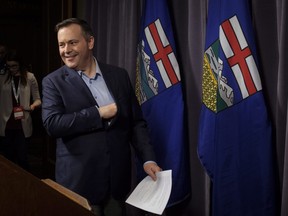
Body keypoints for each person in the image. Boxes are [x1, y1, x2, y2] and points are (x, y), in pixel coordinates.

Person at [41, 18, 162, 216]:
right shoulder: (53, 82)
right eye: (61, 45)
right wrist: (97, 113)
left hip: (117, 185)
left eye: (72, 42)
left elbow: (136, 123)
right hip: (79, 186)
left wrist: (148, 160)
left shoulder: (119, 76)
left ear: (90, 42)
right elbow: (53, 124)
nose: (66, 50)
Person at [0, 49, 41, 170]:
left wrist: (32, 106)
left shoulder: (30, 77)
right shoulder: (2, 78)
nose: (11, 69)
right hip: (6, 124)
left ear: (20, 64)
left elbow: (38, 99)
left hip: (22, 124)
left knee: (23, 159)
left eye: (14, 66)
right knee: (8, 160)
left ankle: (25, 187)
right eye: (9, 66)